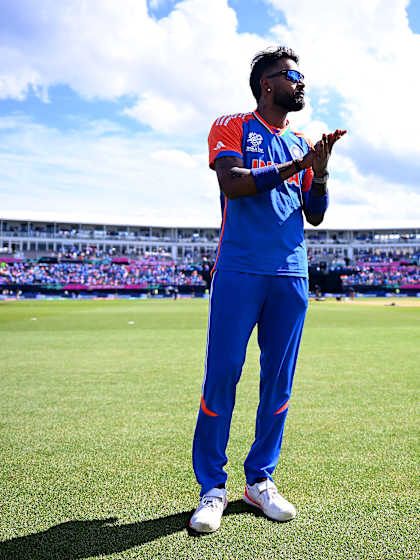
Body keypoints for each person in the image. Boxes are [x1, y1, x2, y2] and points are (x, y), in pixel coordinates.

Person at [189, 46, 346, 533]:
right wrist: (296, 164)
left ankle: (259, 480)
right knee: (223, 376)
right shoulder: (232, 125)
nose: (301, 83)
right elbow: (233, 183)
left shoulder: (299, 140)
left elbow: (315, 213)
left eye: (301, 76)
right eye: (292, 75)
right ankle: (211, 487)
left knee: (278, 382)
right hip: (239, 270)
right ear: (267, 85)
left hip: (290, 274)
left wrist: (317, 171)